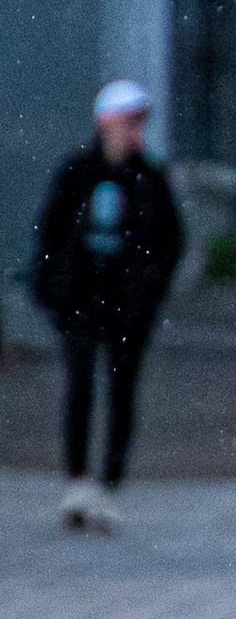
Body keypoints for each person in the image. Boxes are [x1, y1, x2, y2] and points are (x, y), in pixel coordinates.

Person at [32, 80, 184, 532]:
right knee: (79, 387)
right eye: (128, 121)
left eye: (139, 122)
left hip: (127, 305)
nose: (133, 131)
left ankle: (109, 482)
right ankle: (78, 479)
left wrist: (150, 288)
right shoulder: (77, 171)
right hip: (81, 299)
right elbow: (51, 232)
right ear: (106, 123)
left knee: (122, 393)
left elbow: (169, 241)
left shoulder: (150, 178)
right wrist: (52, 288)